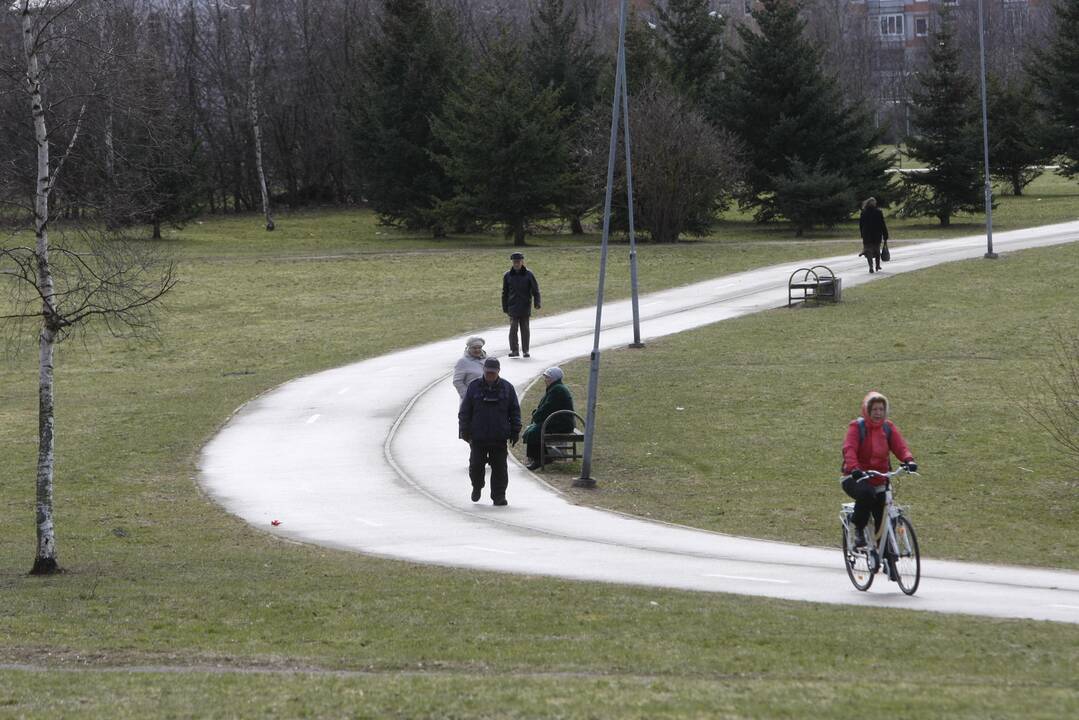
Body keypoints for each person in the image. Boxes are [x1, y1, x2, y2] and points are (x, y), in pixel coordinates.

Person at [841, 391, 918, 559]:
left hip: (880, 477)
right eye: (874, 409)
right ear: (867, 411)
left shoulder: (888, 428)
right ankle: (858, 531)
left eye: (881, 409)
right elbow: (849, 449)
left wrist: (908, 460)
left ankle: (886, 555)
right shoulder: (857, 427)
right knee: (867, 494)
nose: (878, 413)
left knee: (881, 511)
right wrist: (854, 468)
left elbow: (900, 447)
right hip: (855, 477)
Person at [459, 357, 522, 506]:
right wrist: (464, 430)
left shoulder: (507, 388)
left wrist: (515, 430)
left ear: (498, 371)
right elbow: (465, 411)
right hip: (478, 437)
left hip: (499, 437)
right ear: (484, 370)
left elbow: (514, 411)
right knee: (475, 466)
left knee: (500, 469)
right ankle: (477, 486)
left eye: (493, 372)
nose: (490, 375)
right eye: (488, 372)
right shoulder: (474, 387)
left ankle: (499, 496)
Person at [521, 366, 575, 470]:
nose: (545, 380)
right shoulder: (555, 388)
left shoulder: (557, 390)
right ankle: (542, 457)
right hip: (557, 420)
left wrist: (536, 416)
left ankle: (538, 460)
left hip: (562, 423)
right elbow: (546, 407)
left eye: (547, 377)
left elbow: (547, 408)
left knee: (533, 432)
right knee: (532, 429)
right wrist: (536, 415)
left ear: (553, 379)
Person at [502, 251, 540, 358]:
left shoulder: (529, 274)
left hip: (525, 306)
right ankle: (514, 350)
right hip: (512, 306)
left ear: (522, 262)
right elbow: (504, 292)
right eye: (514, 262)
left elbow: (535, 290)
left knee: (525, 329)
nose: (516, 264)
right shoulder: (507, 275)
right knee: (513, 329)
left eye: (518, 261)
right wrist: (505, 307)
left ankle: (525, 350)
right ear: (512, 262)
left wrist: (537, 302)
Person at [858, 197, 889, 274]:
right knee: (877, 250)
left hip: (867, 234)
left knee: (868, 251)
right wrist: (885, 234)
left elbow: (861, 224)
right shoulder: (878, 212)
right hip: (877, 234)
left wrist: (862, 233)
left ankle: (871, 266)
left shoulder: (863, 212)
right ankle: (877, 265)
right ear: (874, 203)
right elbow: (882, 224)